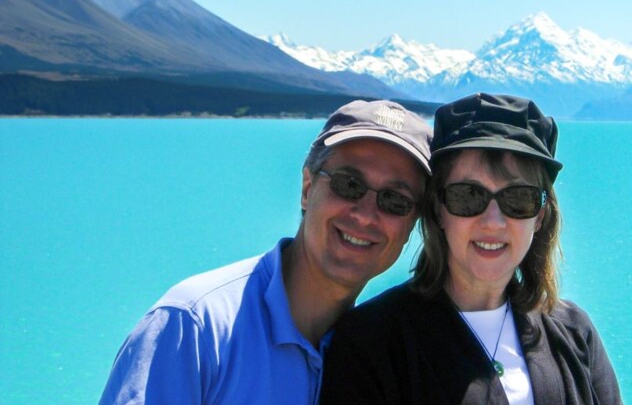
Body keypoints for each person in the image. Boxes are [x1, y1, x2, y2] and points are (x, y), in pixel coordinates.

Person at [99, 100, 432, 405]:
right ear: (307, 189)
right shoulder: (196, 327)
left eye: (395, 201)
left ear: (411, 226)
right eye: (348, 184)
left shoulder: (378, 357)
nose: (364, 214)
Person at [320, 93, 622, 405]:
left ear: (541, 215)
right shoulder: (373, 343)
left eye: (518, 199)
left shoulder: (575, 333)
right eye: (468, 196)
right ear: (439, 208)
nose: (493, 221)